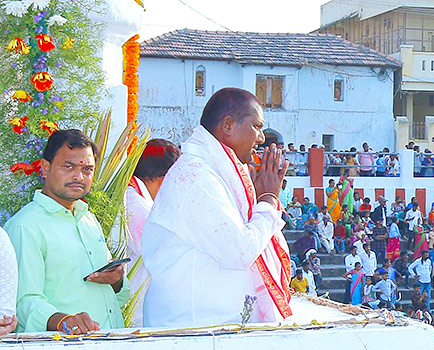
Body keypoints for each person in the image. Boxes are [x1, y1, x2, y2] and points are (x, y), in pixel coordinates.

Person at [142, 88, 292, 328]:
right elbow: (240, 251)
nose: (262, 138)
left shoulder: (215, 173)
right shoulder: (196, 177)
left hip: (211, 328)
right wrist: (268, 200)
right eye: (256, 126)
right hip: (193, 328)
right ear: (228, 125)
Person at [6, 129, 128, 333]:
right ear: (46, 168)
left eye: (88, 169)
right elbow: (23, 302)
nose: (79, 176)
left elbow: (116, 293)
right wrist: (64, 322)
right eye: (68, 166)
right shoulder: (26, 226)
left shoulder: (87, 219)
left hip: (110, 343)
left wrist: (116, 280)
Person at [117, 138, 181, 326]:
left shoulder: (135, 198)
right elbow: (164, 256)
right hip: (137, 313)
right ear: (165, 180)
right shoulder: (136, 205)